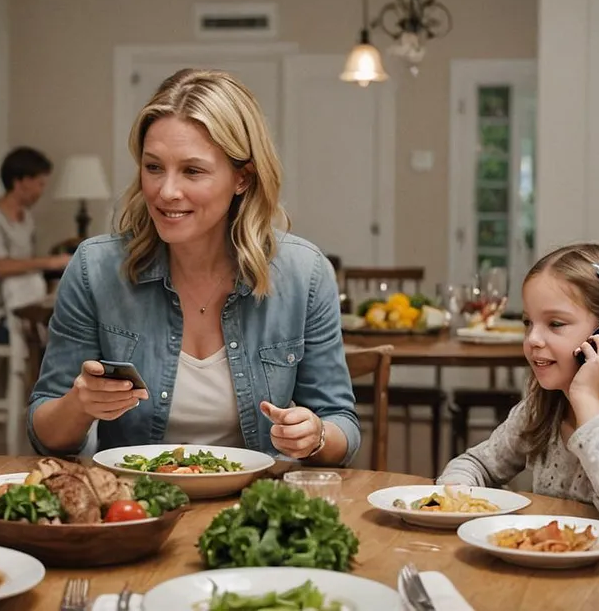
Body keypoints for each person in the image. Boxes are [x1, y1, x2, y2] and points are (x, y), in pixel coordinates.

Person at [27, 68, 361, 466]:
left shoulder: (305, 274)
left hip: (254, 510)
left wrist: (316, 434)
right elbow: (46, 436)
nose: (166, 191)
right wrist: (80, 403)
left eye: (193, 170)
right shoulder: (94, 269)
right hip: (136, 508)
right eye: (153, 167)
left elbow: (342, 423)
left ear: (242, 178)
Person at [438, 243, 599, 529]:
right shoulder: (542, 407)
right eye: (528, 322)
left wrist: (587, 398)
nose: (533, 339)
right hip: (559, 566)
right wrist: (458, 495)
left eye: (556, 324)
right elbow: (478, 464)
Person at [0, 147, 71, 343]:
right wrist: (49, 262)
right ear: (20, 182)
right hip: (1, 310)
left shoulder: (26, 218)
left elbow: (28, 265)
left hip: (27, 298)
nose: (41, 191)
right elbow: (1, 267)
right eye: (39, 184)